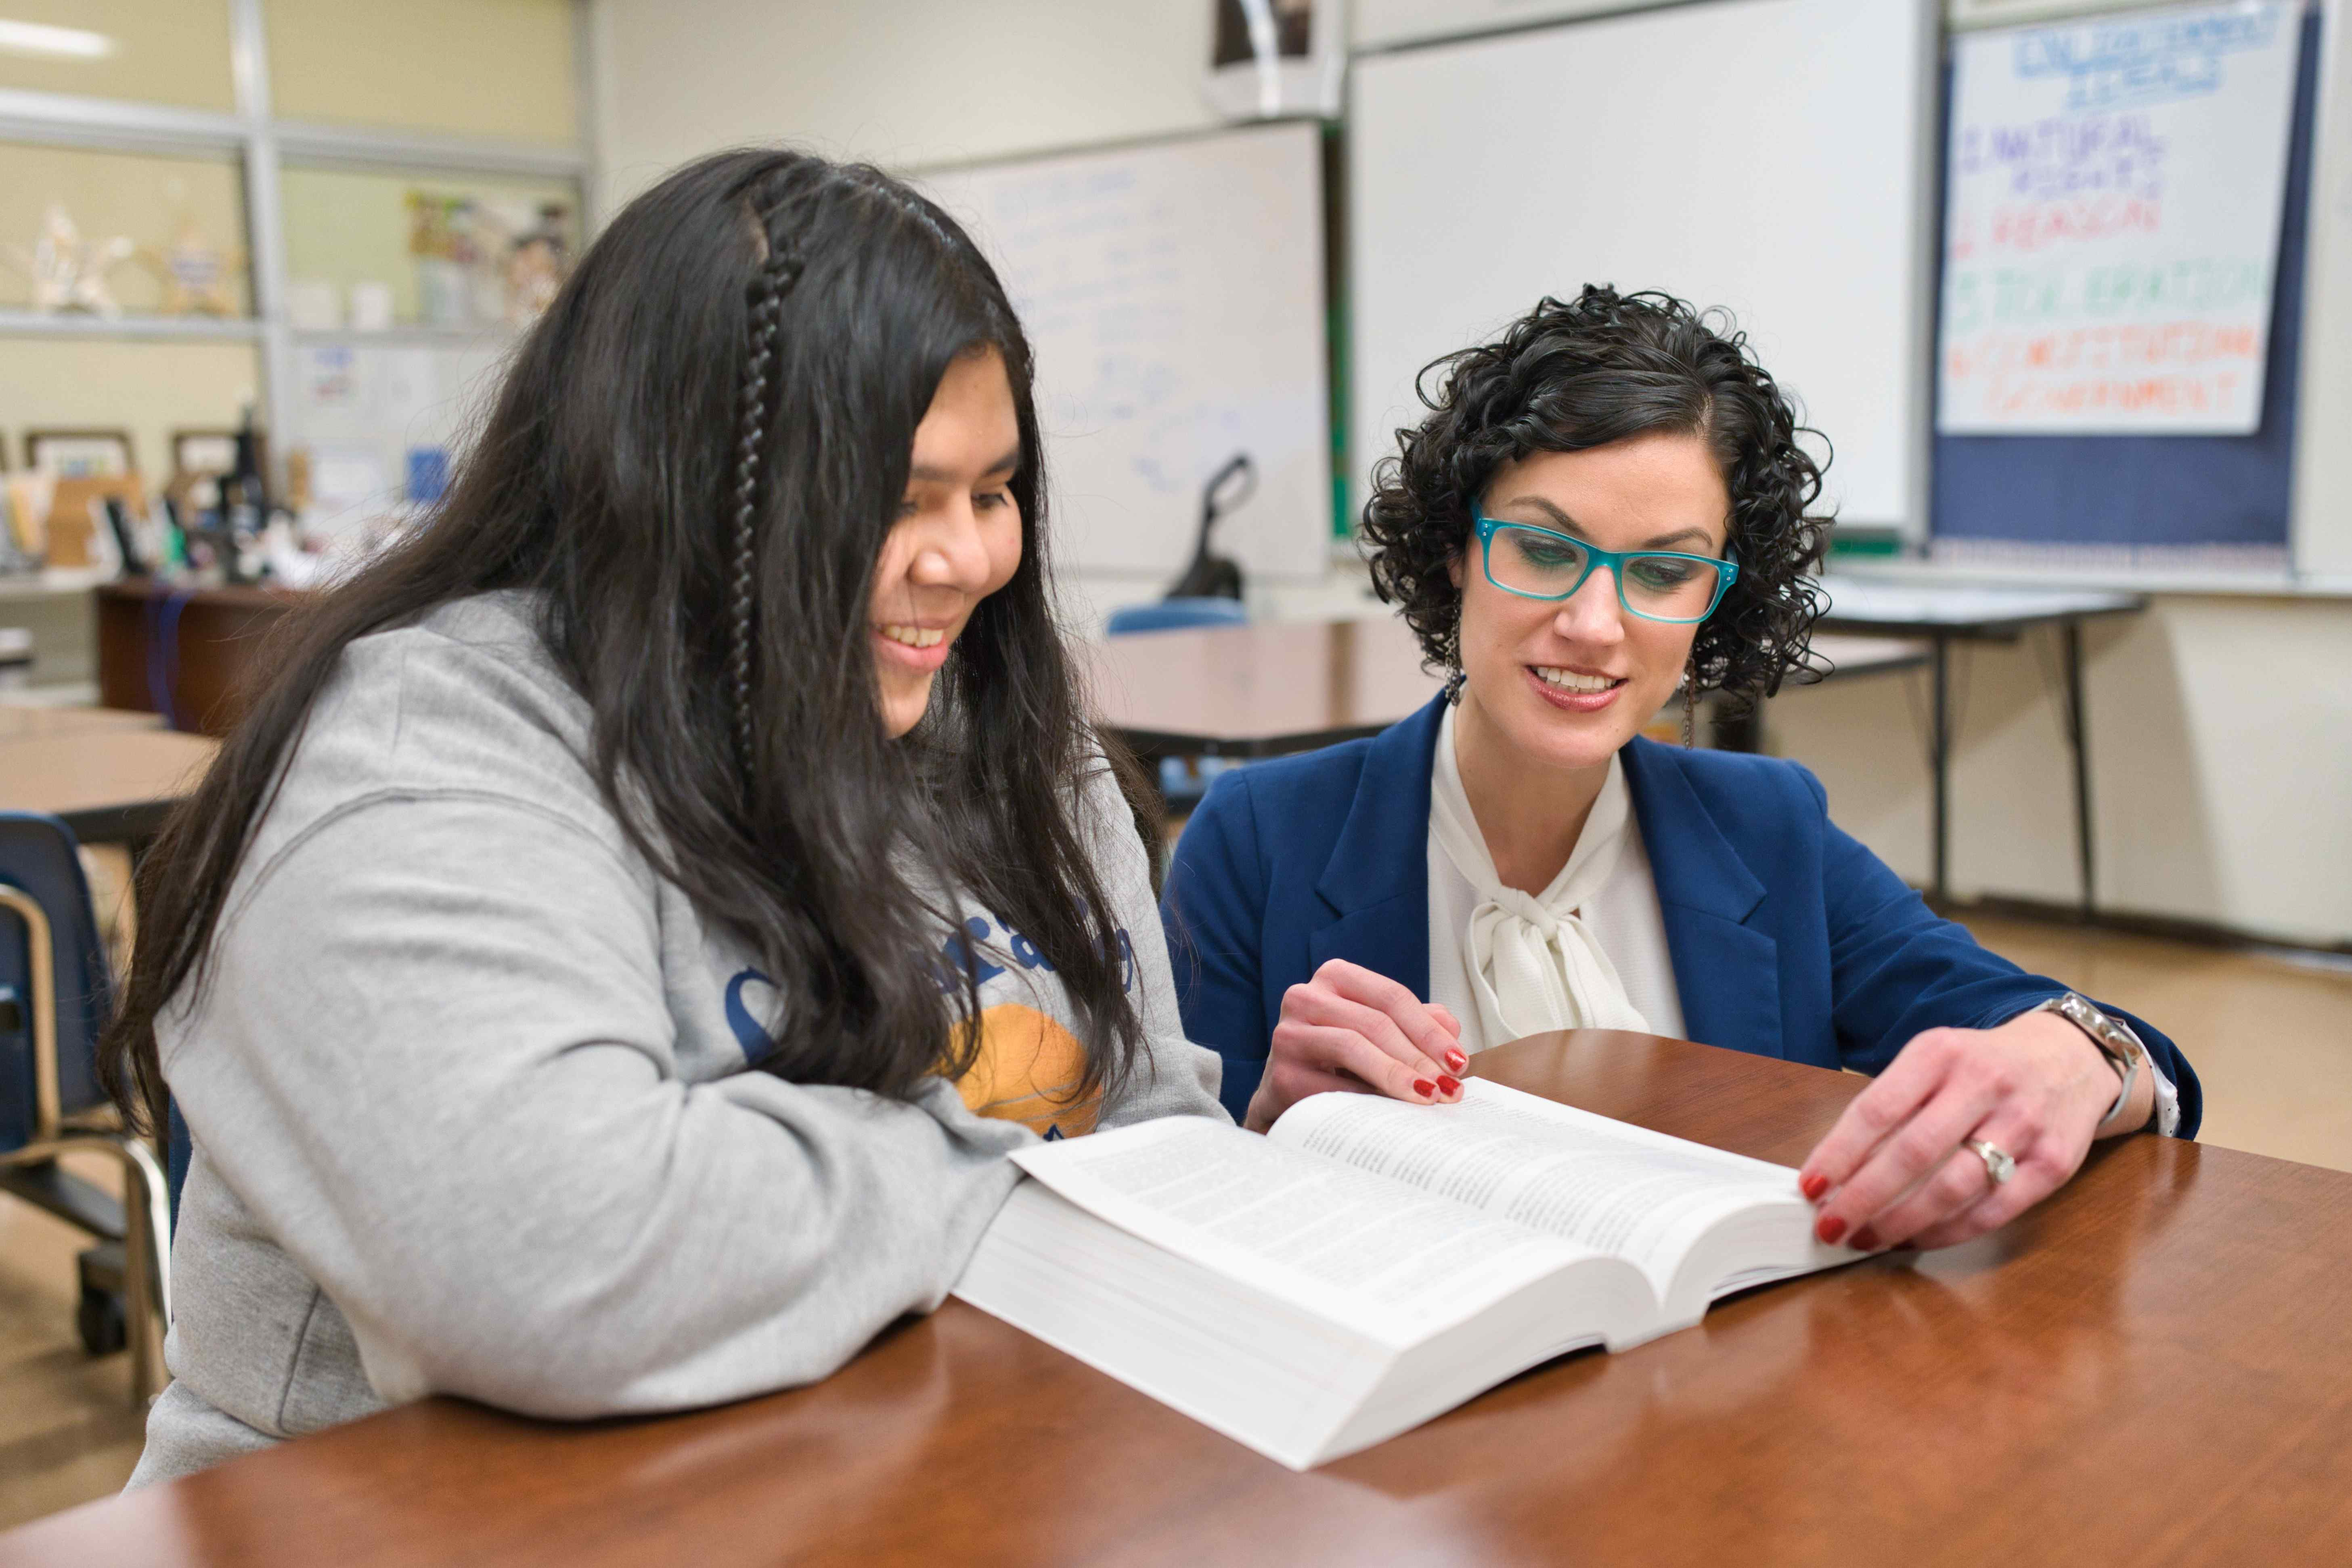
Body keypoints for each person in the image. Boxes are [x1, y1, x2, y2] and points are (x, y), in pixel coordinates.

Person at [101, 149, 1223, 1484]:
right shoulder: (423, 752)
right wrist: (1015, 1172)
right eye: (900, 499)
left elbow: (1154, 1130)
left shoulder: (1008, 736)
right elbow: (556, 1257)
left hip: (908, 1470)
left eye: (991, 492)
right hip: (410, 1516)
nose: (972, 558)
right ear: (683, 490)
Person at [1161, 286, 2196, 1260]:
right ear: (1454, 551)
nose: (1596, 624)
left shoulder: (1765, 828)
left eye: (1664, 571)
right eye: (1542, 548)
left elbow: (2093, 1044)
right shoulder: (1260, 838)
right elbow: (1175, 1201)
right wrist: (1262, 1127)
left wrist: (2078, 1058)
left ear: (1715, 602)